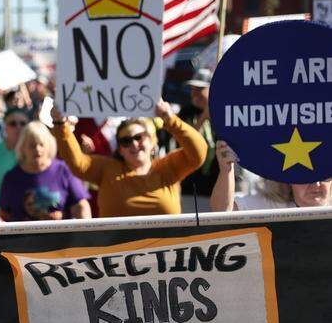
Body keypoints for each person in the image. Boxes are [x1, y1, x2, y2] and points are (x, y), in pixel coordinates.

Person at [52, 101, 207, 217]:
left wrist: (170, 119)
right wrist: (61, 124)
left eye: (139, 137)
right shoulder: (107, 169)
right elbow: (77, 163)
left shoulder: (168, 167)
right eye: (126, 141)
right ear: (120, 149)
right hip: (115, 250)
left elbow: (199, 152)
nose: (134, 144)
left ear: (152, 142)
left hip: (166, 249)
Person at [0, 121, 91, 222]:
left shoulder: (63, 170)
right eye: (32, 145)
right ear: (22, 148)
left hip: (60, 231)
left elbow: (81, 206)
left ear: (49, 146)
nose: (37, 149)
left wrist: (84, 228)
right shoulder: (11, 177)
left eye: (41, 145)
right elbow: (3, 214)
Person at [209, 140, 331, 211]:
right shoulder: (272, 207)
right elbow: (222, 212)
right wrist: (226, 169)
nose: (316, 184)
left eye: (324, 177)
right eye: (306, 177)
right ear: (289, 180)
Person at [180, 70, 218, 212]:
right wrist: (203, 118)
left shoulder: (223, 111)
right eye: (193, 89)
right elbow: (186, 143)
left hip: (216, 183)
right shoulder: (186, 112)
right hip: (192, 185)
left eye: (200, 89)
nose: (195, 93)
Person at [0, 108, 29, 211]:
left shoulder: (36, 150)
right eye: (13, 124)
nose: (18, 127)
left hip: (26, 214)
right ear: (5, 127)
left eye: (23, 123)